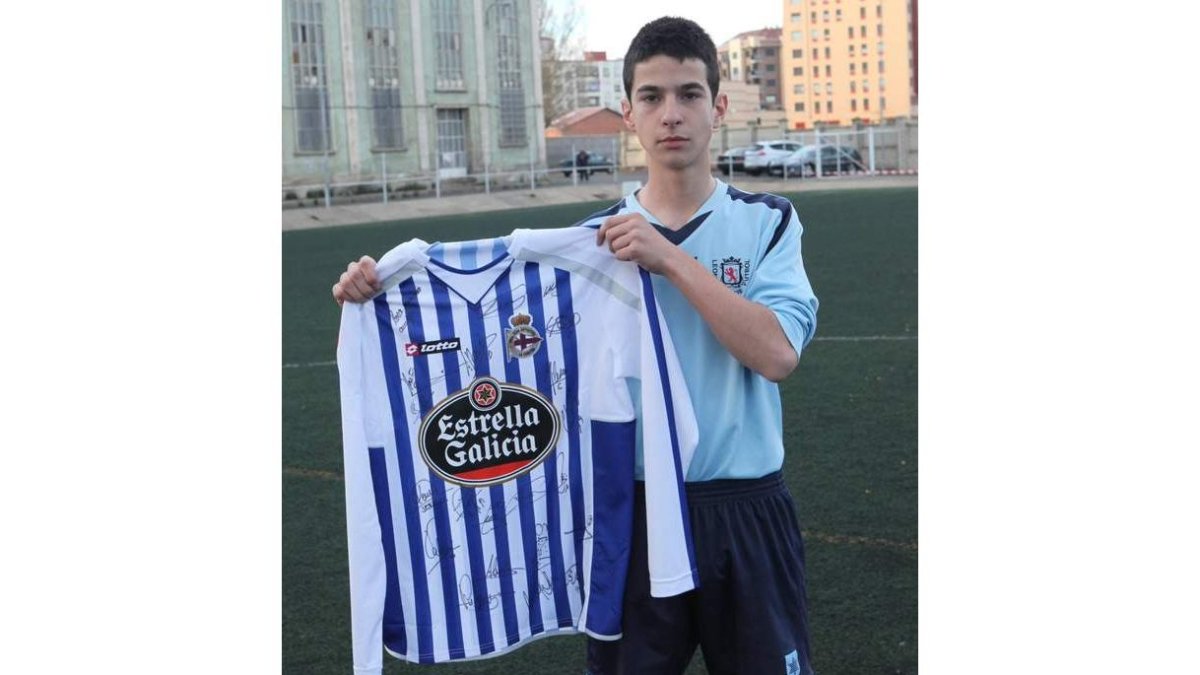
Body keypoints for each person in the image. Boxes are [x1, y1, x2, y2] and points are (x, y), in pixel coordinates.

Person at [333, 16, 819, 675]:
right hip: (630, 509)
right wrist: (375, 297)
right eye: (651, 97)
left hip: (744, 502)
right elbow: (497, 342)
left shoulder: (767, 222)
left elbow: (777, 354)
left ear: (720, 106)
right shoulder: (591, 246)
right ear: (629, 113)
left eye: (689, 94)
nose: (671, 114)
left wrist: (670, 260)